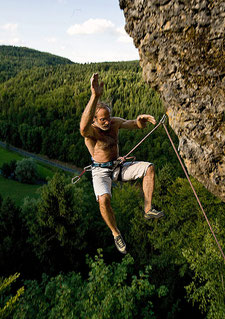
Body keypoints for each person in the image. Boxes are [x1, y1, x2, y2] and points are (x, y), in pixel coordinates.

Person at [80, 73, 164, 254]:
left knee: (149, 168)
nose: (107, 121)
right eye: (102, 119)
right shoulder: (92, 133)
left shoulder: (114, 123)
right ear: (94, 120)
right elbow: (82, 128)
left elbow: (133, 125)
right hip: (100, 172)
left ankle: (148, 208)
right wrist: (94, 96)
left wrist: (140, 121)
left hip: (118, 167)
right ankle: (115, 233)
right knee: (104, 200)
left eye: (108, 117)